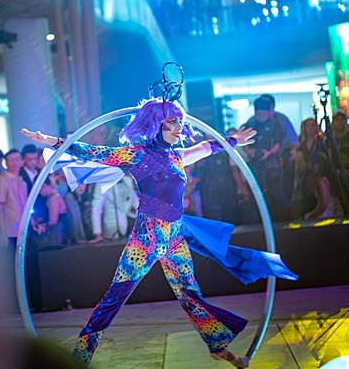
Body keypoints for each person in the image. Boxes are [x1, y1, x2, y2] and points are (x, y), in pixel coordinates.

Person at [21, 93, 297, 368]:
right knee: (114, 299)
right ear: (156, 124)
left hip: (175, 240)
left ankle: (218, 348)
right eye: (172, 123)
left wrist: (232, 141)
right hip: (145, 242)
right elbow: (94, 152)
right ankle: (80, 357)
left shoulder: (178, 156)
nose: (179, 128)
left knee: (191, 296)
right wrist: (52, 141)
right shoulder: (136, 155)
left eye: (180, 123)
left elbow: (206, 147)